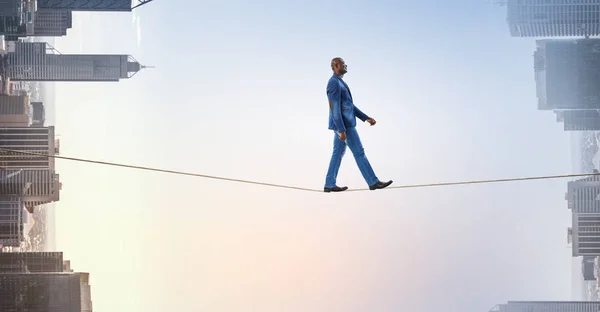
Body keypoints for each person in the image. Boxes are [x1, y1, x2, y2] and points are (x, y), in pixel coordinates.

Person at [323, 57, 393, 192]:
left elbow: (349, 106)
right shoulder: (333, 83)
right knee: (359, 152)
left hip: (344, 124)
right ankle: (373, 182)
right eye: (343, 63)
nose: (345, 65)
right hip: (344, 125)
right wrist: (342, 129)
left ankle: (329, 183)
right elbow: (335, 108)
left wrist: (365, 117)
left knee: (337, 153)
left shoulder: (340, 82)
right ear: (336, 65)